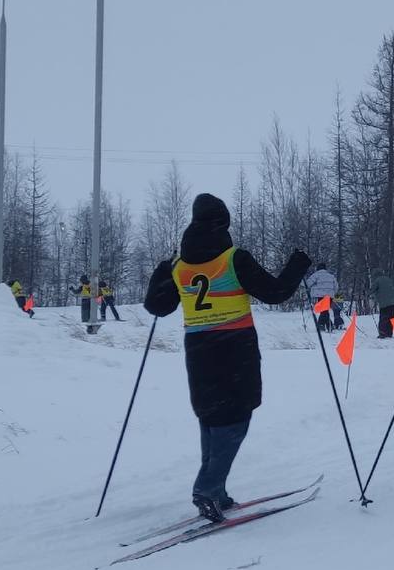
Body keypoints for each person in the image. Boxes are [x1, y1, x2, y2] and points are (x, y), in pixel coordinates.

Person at [143, 193, 311, 522]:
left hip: (199, 351)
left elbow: (157, 307)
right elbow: (275, 293)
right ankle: (207, 488)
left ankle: (216, 491)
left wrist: (162, 271)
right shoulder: (233, 258)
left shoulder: (179, 266)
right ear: (223, 223)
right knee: (235, 421)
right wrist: (298, 265)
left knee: (212, 418)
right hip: (235, 349)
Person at [306, 263, 339, 331]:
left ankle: (326, 325)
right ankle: (323, 325)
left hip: (320, 295)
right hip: (330, 296)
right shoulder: (331, 276)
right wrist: (332, 293)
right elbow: (336, 287)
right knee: (324, 310)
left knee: (324, 310)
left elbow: (307, 284)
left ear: (318, 268)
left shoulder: (316, 275)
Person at [371, 268, 394, 338]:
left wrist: (367, 295)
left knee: (383, 318)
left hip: (384, 303)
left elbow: (372, 290)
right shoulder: (388, 279)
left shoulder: (377, 280)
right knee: (390, 318)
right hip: (393, 302)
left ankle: (382, 333)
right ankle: (389, 333)